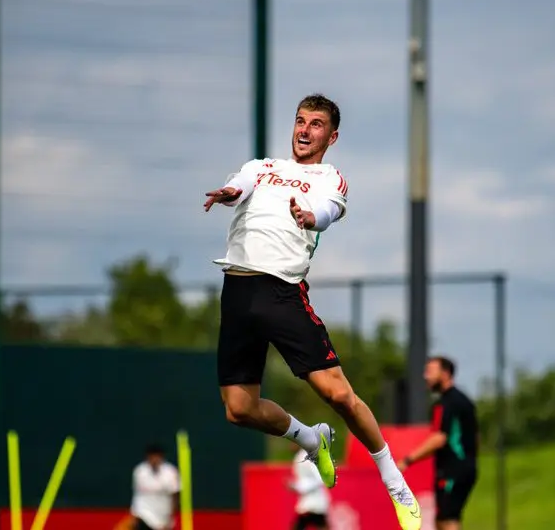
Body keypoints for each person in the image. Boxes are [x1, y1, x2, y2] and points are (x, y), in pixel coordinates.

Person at [203, 93, 422, 530]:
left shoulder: (329, 178)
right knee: (239, 409)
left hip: (281, 294)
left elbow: (327, 212)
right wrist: (230, 193)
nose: (304, 130)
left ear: (332, 136)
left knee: (338, 395)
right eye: (301, 121)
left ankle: (394, 481)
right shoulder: (261, 167)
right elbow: (241, 186)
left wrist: (308, 215)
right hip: (238, 293)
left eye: (316, 124)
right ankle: (310, 437)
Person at [397, 356, 479, 530]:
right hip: (464, 467)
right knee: (442, 520)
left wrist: (407, 460)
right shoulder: (464, 401)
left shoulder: (446, 403)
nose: (426, 376)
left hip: (453, 470)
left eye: (431, 371)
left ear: (446, 373)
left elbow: (439, 438)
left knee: (447, 520)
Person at [128, 443, 181, 530]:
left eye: (157, 456)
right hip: (143, 514)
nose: (154, 459)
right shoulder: (140, 471)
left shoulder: (170, 472)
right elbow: (137, 495)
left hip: (163, 515)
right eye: (151, 456)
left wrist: (170, 516)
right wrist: (134, 514)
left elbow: (175, 495)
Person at [288, 446, 330, 529]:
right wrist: (295, 486)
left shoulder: (308, 457)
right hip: (308, 503)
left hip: (315, 502)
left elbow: (320, 478)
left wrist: (299, 487)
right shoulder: (300, 456)